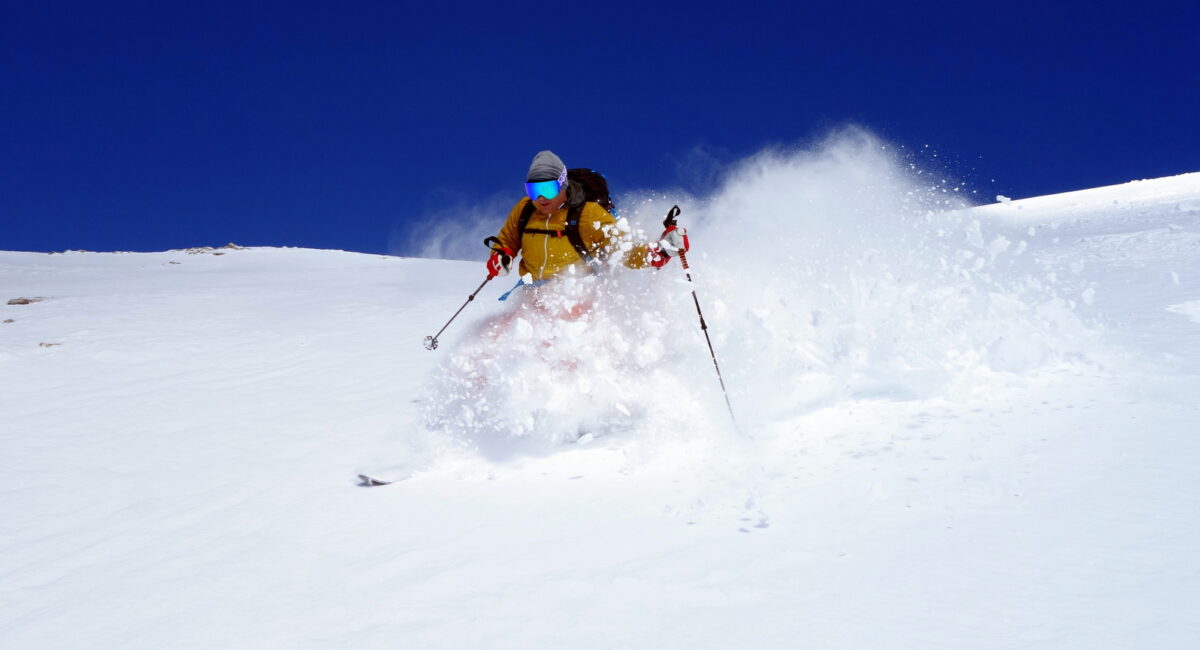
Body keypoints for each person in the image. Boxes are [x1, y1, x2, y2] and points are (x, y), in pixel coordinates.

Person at [485, 151, 689, 287]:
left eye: (547, 189)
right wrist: (502, 255)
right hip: (532, 294)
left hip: (578, 297)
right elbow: (508, 240)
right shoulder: (525, 209)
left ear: (562, 184)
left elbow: (624, 251)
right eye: (533, 190)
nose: (540, 198)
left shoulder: (588, 214)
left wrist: (663, 250)